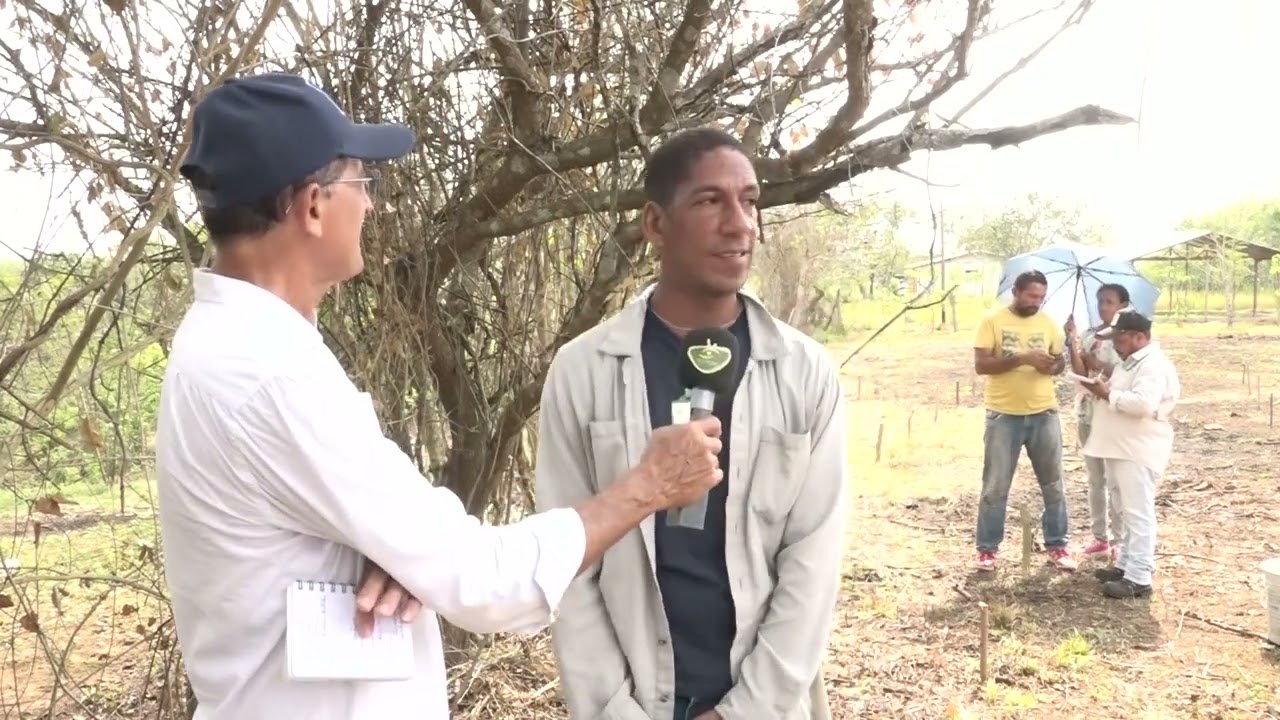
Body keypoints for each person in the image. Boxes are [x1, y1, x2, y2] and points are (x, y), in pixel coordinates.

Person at [154, 72, 726, 720]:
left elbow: (328, 532)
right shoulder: (269, 376)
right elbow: (484, 580)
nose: (371, 206)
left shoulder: (235, 346)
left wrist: (402, 557)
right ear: (313, 205)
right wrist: (648, 486)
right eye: (361, 184)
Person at [534, 127, 848, 720]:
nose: (740, 224)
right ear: (656, 224)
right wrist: (614, 710)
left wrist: (744, 712)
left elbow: (814, 561)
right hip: (627, 703)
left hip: (766, 705)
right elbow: (569, 562)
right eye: (710, 201)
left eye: (750, 201)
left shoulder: (804, 373)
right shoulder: (583, 371)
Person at [972, 270, 1077, 572]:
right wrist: (1021, 358)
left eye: (1041, 298)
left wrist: (1051, 365)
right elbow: (982, 365)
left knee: (1054, 484)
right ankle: (987, 550)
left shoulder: (1049, 324)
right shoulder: (992, 321)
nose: (1036, 303)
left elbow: (1058, 365)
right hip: (1003, 415)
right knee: (995, 485)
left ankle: (1057, 544)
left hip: (1044, 413)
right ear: (1016, 292)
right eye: (1031, 296)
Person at [1081, 311, 1180, 599]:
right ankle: (1125, 565)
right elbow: (1126, 394)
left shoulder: (1152, 364)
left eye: (1120, 339)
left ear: (1139, 337)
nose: (1117, 345)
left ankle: (1139, 576)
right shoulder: (1130, 362)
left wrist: (1107, 394)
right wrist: (1105, 389)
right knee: (1123, 506)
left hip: (1137, 447)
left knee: (1138, 511)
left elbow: (1143, 404)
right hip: (1119, 444)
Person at [1064, 283, 1131, 561]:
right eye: (1100, 301)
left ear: (1123, 306)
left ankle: (1120, 539)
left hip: (1114, 415)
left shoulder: (1128, 337)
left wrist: (1098, 364)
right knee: (1095, 479)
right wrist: (1072, 342)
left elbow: (1127, 373)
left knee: (1116, 480)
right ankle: (1100, 537)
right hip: (1088, 413)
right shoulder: (1092, 335)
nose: (1104, 307)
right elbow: (1080, 371)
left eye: (1110, 302)